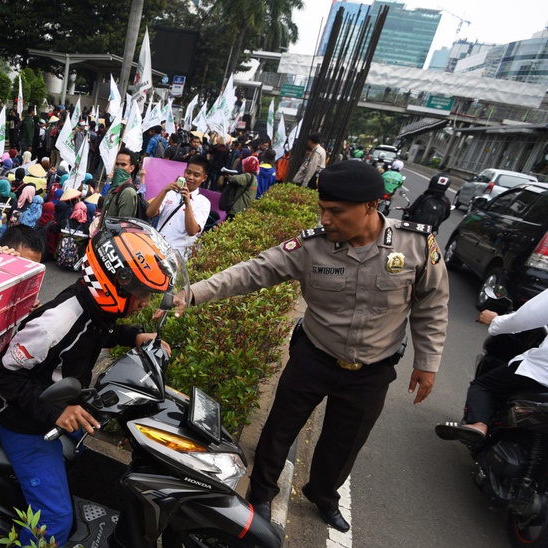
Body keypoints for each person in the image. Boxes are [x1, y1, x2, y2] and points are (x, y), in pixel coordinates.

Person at [172, 160, 448, 532]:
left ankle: (322, 494)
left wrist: (427, 362)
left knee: (345, 442)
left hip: (372, 371)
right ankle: (261, 495)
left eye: (336, 211)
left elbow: (432, 303)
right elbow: (253, 271)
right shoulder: (312, 246)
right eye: (322, 209)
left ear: (371, 206)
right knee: (279, 432)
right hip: (313, 358)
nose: (326, 219)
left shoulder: (415, 245)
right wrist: (192, 294)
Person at [0, 218, 177, 545]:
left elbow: (98, 333)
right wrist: (55, 414)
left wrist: (134, 336)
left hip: (54, 407)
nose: (146, 301)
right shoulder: (57, 322)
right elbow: (2, 373)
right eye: (142, 293)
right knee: (55, 520)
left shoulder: (96, 307)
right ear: (115, 286)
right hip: (22, 422)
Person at [436, 288, 548, 444]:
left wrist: (495, 321)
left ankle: (478, 425)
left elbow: (527, 317)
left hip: (542, 372)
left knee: (483, 386)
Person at [146, 156, 211, 257]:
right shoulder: (171, 192)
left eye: (196, 175)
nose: (190, 177)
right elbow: (150, 213)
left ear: (204, 178)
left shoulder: (203, 202)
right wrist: (165, 190)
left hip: (176, 258)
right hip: (156, 250)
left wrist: (188, 203)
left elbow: (192, 231)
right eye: (188, 172)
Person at [100, 149, 142, 221]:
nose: (119, 168)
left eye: (123, 165)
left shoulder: (128, 192)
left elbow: (122, 224)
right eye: (117, 164)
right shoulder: (113, 188)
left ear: (131, 168)